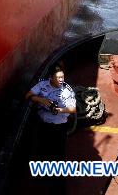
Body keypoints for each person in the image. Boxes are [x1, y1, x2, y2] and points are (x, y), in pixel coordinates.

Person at [26, 65, 76, 194]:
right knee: (42, 150)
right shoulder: (42, 85)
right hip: (44, 125)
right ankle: (42, 177)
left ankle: (59, 186)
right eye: (58, 77)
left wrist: (60, 110)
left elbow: (73, 109)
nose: (61, 80)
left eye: (62, 77)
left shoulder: (67, 90)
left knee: (58, 155)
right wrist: (40, 99)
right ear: (50, 78)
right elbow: (28, 95)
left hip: (59, 127)